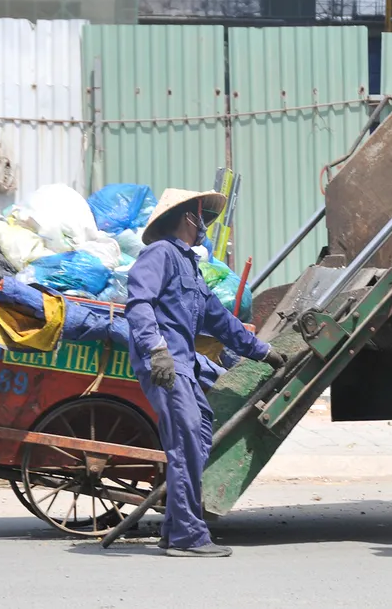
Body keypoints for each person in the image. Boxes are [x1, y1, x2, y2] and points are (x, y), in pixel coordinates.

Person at [126, 188, 287, 558]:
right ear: (188, 217)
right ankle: (188, 537)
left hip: (185, 365)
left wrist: (263, 352)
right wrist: (156, 349)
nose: (205, 225)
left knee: (198, 440)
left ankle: (174, 529)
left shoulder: (190, 266)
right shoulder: (160, 253)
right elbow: (138, 303)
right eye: (203, 217)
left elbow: (220, 320)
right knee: (185, 446)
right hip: (167, 365)